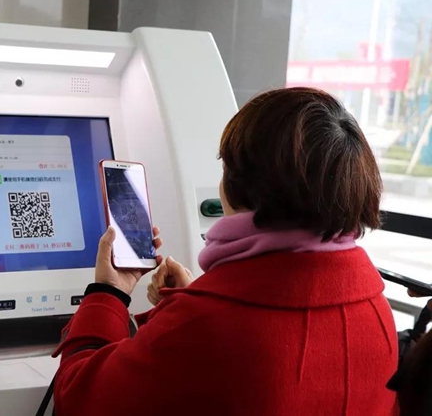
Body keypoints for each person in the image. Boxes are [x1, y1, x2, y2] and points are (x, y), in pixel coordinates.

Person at [51, 87, 398, 415]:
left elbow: (78, 399)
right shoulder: (377, 310)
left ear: (239, 186)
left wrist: (108, 292)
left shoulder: (203, 326)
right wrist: (194, 302)